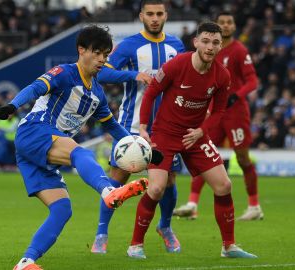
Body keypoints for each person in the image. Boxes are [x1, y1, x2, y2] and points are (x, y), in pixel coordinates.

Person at [0, 25, 150, 270]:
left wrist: (146, 151)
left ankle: (25, 263)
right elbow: (36, 87)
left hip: (41, 150)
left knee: (61, 210)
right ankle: (109, 191)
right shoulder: (65, 73)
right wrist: (13, 105)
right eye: (97, 53)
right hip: (35, 131)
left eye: (106, 55)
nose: (102, 60)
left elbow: (113, 127)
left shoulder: (97, 93)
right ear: (81, 50)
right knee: (81, 152)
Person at [127, 21, 257, 259]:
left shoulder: (222, 75)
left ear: (220, 46)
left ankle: (229, 246)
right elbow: (152, 92)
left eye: (215, 42)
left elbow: (218, 112)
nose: (210, 47)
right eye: (205, 41)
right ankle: (135, 245)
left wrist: (201, 131)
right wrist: (144, 128)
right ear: (196, 42)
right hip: (165, 134)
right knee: (155, 188)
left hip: (195, 136)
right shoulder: (177, 64)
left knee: (224, 185)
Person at [91, 0, 185, 254]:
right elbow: (102, 72)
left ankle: (165, 226)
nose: (155, 18)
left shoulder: (177, 45)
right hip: (131, 124)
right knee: (118, 178)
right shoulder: (131, 45)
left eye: (159, 14)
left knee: (168, 181)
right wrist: (132, 75)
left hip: (167, 127)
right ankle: (101, 232)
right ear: (142, 16)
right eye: (150, 14)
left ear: (166, 15)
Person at [173, 12, 262, 221]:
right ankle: (192, 204)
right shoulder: (209, 50)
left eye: (229, 22)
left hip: (235, 113)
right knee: (205, 155)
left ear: (234, 26)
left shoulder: (239, 50)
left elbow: (252, 81)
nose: (225, 25)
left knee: (242, 157)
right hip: (212, 112)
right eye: (222, 22)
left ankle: (255, 206)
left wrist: (235, 96)